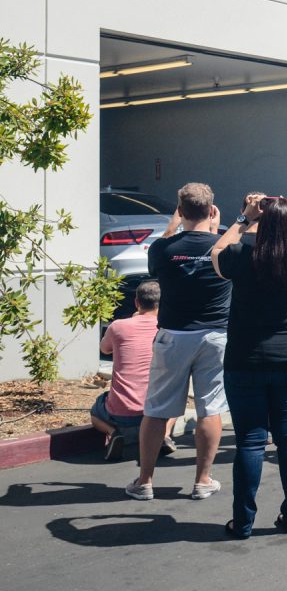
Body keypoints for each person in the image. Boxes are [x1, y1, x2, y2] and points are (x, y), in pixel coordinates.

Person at [212, 194, 287, 538]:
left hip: (245, 362)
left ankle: (242, 522)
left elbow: (215, 252)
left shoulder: (242, 257)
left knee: (249, 441)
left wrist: (245, 217)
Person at [128, 182, 229, 502]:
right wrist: (215, 226)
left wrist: (174, 223)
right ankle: (202, 480)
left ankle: (144, 481)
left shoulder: (163, 249)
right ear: (212, 210)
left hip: (173, 336)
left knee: (157, 410)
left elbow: (161, 247)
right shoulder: (225, 248)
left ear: (181, 211)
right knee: (209, 408)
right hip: (214, 336)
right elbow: (224, 245)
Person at [93, 280, 160, 461]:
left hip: (120, 412)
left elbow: (104, 349)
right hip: (154, 411)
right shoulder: (165, 328)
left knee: (96, 410)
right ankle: (165, 435)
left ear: (136, 302)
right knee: (174, 399)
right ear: (160, 304)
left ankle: (113, 432)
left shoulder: (118, 326)